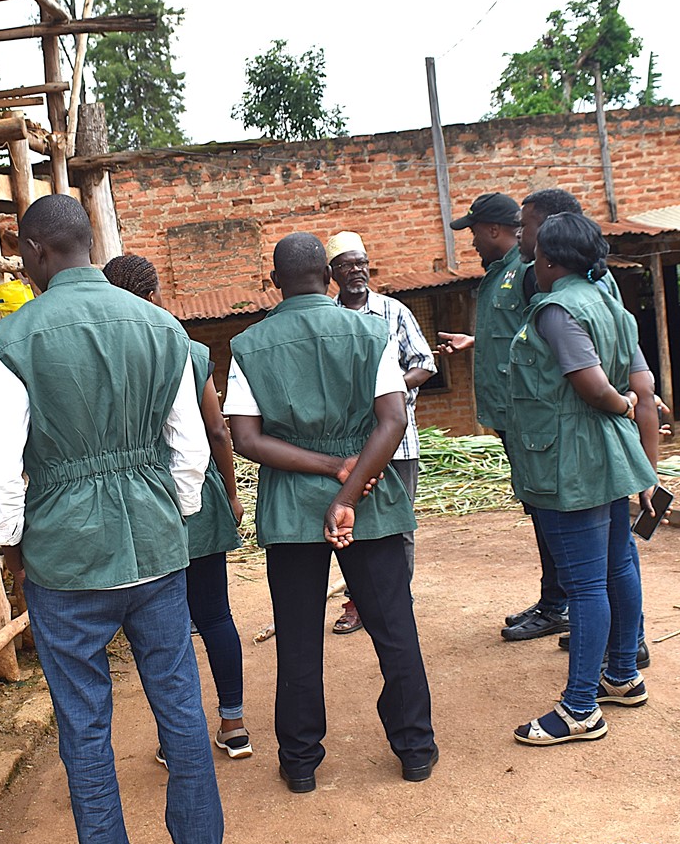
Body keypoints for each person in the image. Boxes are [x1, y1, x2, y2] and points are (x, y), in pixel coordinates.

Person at [0, 196, 228, 844]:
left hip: (66, 559)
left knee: (85, 723)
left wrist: (10, 541)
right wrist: (169, 515)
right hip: (154, 548)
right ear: (88, 244)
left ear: (35, 251)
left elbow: (3, 463)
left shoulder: (14, 337)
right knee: (180, 704)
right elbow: (190, 449)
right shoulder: (162, 326)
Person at [226, 231, 437, 793]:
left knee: (297, 636)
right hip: (372, 496)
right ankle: (415, 749)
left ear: (275, 283)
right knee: (394, 627)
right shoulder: (371, 331)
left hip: (291, 507)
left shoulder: (249, 345)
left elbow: (245, 437)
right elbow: (392, 422)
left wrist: (327, 471)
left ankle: (300, 763)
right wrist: (349, 489)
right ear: (329, 276)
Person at [503, 212, 660, 746]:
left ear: (549, 260)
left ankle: (580, 709)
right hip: (606, 458)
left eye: (534, 250)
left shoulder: (556, 309)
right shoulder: (609, 304)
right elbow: (635, 373)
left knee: (587, 583)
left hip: (571, 462)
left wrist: (621, 403)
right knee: (617, 565)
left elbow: (591, 384)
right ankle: (621, 674)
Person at [102, 253, 252, 761]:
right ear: (154, 295)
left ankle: (176, 739)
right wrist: (229, 491)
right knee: (215, 615)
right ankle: (233, 724)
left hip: (145, 498)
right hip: (198, 496)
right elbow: (215, 430)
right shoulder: (187, 349)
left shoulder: (113, 352)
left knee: (163, 630)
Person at [436, 192, 570, 644]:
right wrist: (476, 341)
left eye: (473, 232)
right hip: (511, 417)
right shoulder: (501, 274)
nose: (471, 242)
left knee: (550, 512)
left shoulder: (531, 272)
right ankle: (555, 596)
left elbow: (548, 335)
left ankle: (559, 604)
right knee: (539, 510)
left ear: (495, 229)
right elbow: (518, 334)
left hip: (530, 418)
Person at [326, 230, 437, 635]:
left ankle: (396, 600)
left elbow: (425, 363)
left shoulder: (393, 311)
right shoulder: (330, 316)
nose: (356, 271)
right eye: (347, 265)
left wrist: (385, 393)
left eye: (361, 263)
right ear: (332, 272)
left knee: (399, 525)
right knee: (351, 525)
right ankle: (357, 603)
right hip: (347, 446)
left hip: (397, 444)